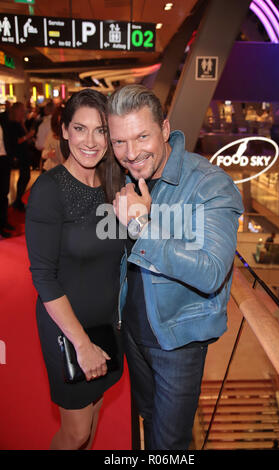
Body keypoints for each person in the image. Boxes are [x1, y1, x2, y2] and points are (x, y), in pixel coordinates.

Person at [108, 84, 244, 450]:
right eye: (119, 142)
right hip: (134, 331)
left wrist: (140, 226)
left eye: (142, 137)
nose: (131, 153)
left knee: (170, 445)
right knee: (149, 421)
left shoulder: (209, 185)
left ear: (165, 130)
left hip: (177, 342)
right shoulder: (134, 175)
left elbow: (212, 271)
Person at [25, 89, 126, 450]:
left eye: (100, 130)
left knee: (95, 412)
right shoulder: (49, 191)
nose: (91, 141)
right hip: (68, 328)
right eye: (80, 129)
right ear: (64, 131)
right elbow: (43, 277)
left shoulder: (114, 185)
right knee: (77, 431)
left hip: (106, 324)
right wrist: (81, 344)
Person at [9, 102, 35, 212]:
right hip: (20, 154)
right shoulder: (13, 124)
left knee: (25, 176)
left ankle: (18, 200)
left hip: (24, 153)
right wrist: (27, 136)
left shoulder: (19, 122)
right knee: (25, 176)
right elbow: (16, 141)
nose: (24, 112)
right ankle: (18, 201)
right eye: (22, 110)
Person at [41, 105, 65, 171]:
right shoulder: (51, 134)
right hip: (51, 169)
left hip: (65, 170)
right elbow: (44, 154)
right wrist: (49, 153)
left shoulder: (71, 134)